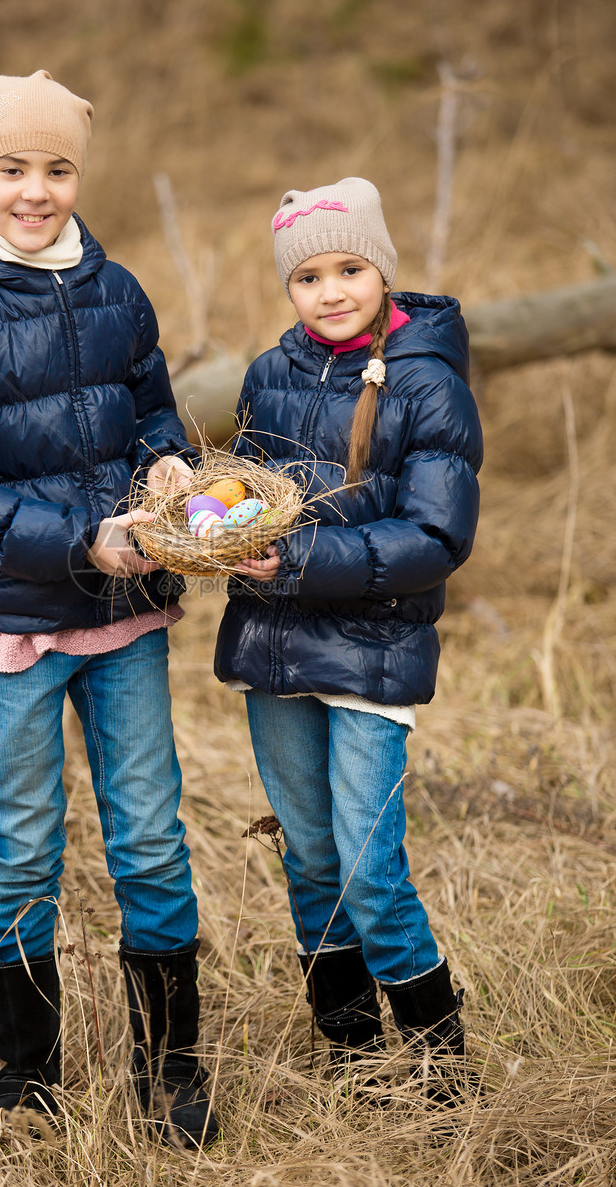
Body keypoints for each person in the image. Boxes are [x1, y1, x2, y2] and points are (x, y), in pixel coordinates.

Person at [0, 70, 217, 1148]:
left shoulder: (116, 291)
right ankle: (26, 1081)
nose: (37, 190)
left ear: (79, 172)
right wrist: (78, 540)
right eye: (13, 168)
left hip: (123, 618)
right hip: (13, 626)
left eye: (57, 167)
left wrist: (166, 471)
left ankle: (169, 1073)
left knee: (152, 842)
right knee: (24, 845)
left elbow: (153, 416)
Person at [215, 178, 483, 1103]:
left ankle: (445, 1076)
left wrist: (295, 561)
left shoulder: (427, 383)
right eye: (308, 277)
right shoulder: (266, 374)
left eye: (351, 269)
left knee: (371, 870)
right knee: (312, 856)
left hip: (371, 654)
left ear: (383, 271)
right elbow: (252, 492)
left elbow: (436, 539)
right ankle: (355, 1060)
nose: (330, 292)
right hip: (276, 651)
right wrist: (215, 529)